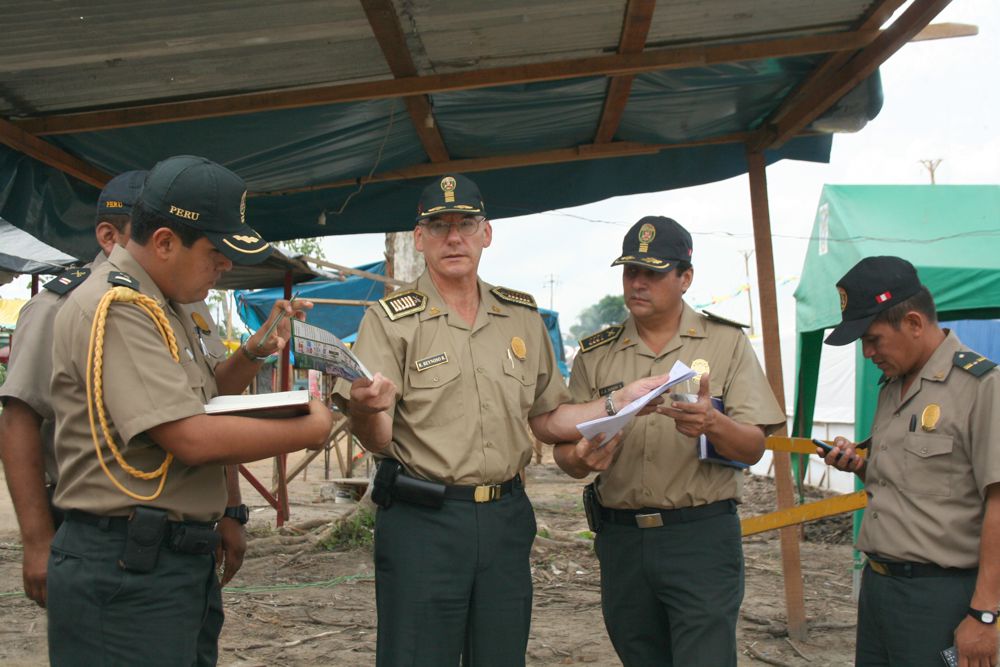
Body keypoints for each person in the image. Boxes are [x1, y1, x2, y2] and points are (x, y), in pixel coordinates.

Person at [341, 174, 668, 667]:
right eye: (440, 226)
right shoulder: (389, 321)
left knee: (501, 655)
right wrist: (365, 409)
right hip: (423, 522)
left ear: (486, 233)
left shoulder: (520, 317)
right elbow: (377, 437)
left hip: (505, 519)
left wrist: (617, 400)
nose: (454, 237)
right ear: (419, 238)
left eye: (466, 224)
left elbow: (547, 417)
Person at [46, 155, 334, 667]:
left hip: (167, 560)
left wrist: (255, 350)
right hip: (126, 570)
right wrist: (308, 430)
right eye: (216, 254)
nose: (225, 267)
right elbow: (190, 436)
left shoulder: (169, 302)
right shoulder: (121, 307)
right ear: (164, 242)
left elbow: (201, 397)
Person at [554, 216, 786, 667]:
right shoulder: (596, 353)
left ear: (686, 278)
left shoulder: (725, 343)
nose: (638, 283)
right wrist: (580, 458)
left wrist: (713, 424)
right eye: (630, 271)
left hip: (699, 538)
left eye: (653, 273)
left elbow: (754, 447)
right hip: (622, 539)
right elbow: (564, 450)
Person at [820, 255, 999, 667]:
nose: (867, 352)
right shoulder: (892, 386)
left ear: (914, 323)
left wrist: (985, 614)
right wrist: (861, 466)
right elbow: (915, 482)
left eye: (873, 339)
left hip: (939, 597)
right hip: (880, 590)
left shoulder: (981, 387)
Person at [0, 169, 145, 608]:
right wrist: (37, 540)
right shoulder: (58, 307)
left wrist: (230, 511)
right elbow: (19, 421)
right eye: (152, 233)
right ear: (109, 237)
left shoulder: (177, 306)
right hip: (89, 527)